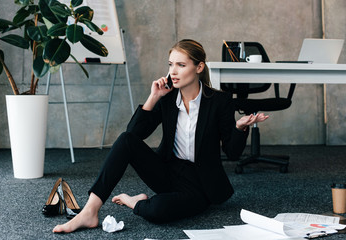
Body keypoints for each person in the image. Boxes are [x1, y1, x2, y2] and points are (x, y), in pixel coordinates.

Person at [53, 39, 268, 233]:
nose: (173, 71)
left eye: (181, 65)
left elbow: (232, 153)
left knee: (158, 210)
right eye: (170, 64)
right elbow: (133, 135)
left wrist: (239, 128)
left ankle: (134, 202)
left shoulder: (219, 101)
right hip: (168, 171)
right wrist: (153, 97)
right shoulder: (167, 98)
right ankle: (90, 210)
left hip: (200, 183)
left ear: (199, 67)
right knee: (125, 140)